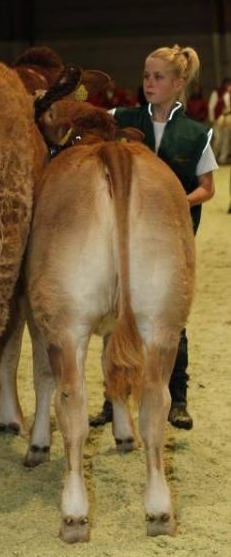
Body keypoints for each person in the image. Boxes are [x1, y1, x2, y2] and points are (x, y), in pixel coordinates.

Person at [90, 44, 217, 430]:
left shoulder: (197, 133)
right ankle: (114, 400)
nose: (149, 83)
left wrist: (175, 200)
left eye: (158, 77)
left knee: (168, 320)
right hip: (121, 236)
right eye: (146, 75)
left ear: (178, 83)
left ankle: (177, 398)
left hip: (170, 241)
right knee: (116, 316)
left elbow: (207, 188)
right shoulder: (121, 118)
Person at [208, 77, 231, 164]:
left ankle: (223, 158)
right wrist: (212, 119)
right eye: (228, 84)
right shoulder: (216, 93)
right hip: (218, 119)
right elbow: (211, 106)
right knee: (218, 139)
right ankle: (213, 158)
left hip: (228, 118)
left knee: (226, 139)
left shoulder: (229, 94)